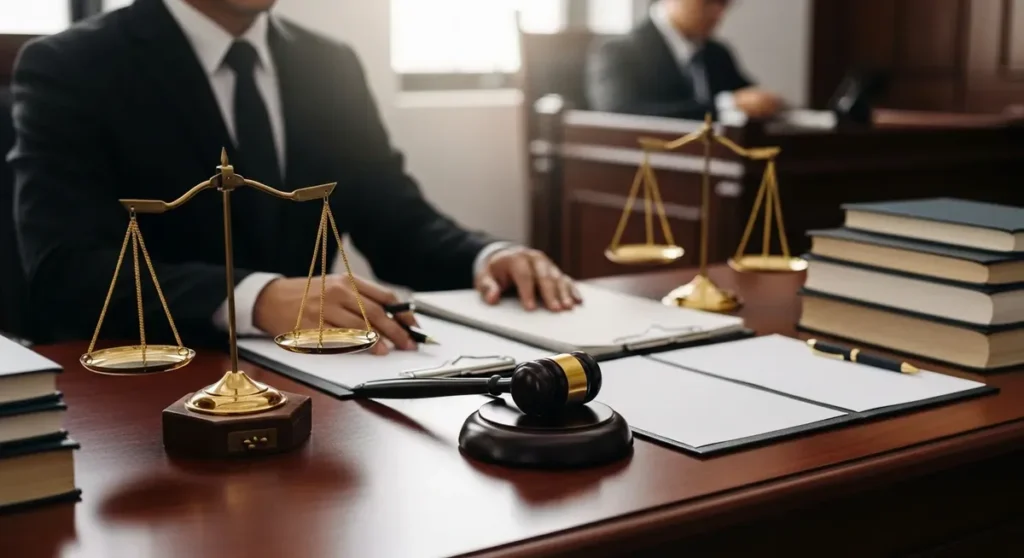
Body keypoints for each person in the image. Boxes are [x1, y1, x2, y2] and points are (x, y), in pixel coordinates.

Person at [8, 0, 580, 354]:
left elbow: (395, 221)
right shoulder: (71, 67)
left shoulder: (327, 63)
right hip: (151, 391)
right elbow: (66, 271)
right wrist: (255, 299)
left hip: (317, 387)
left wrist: (486, 256)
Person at [586, 0, 783, 120]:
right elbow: (620, 115)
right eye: (708, 2)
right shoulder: (618, 52)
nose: (718, 13)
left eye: (724, 3)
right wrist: (724, 107)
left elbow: (748, 96)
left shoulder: (717, 54)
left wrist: (765, 103)